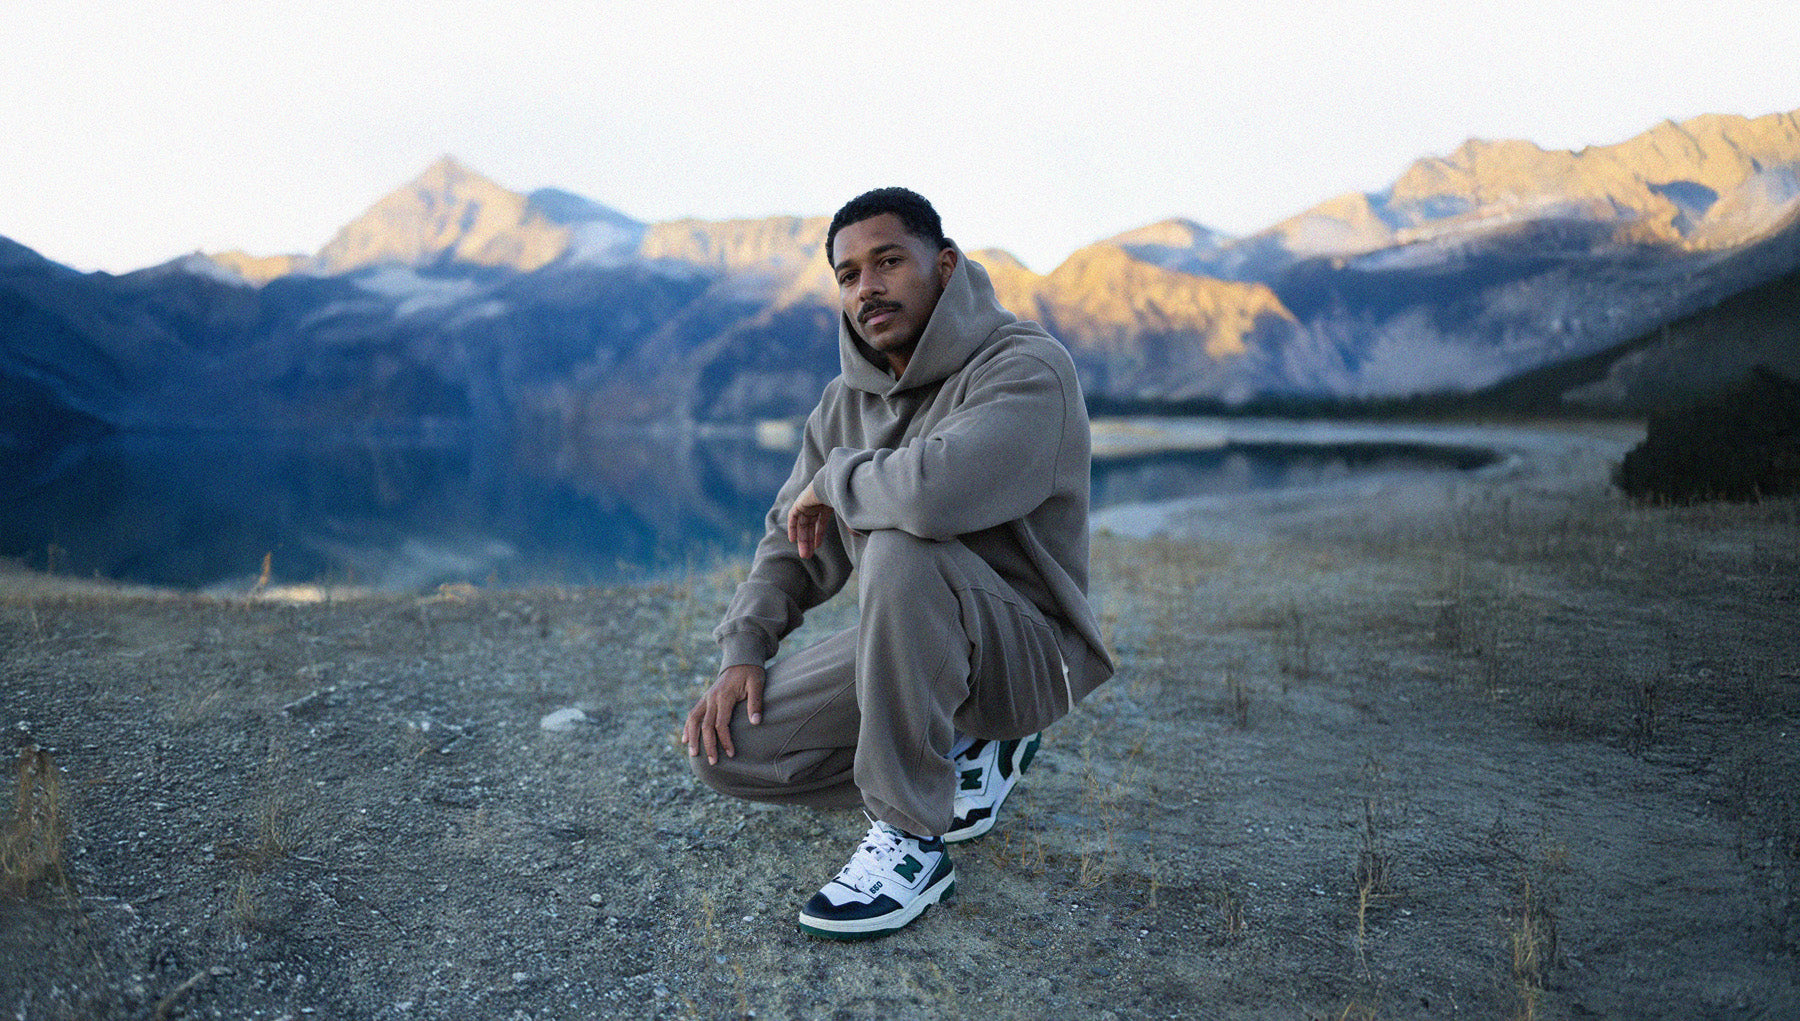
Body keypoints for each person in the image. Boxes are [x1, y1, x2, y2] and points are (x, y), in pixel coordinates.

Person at [682, 187, 1114, 940]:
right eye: (847, 274)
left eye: (888, 262)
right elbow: (794, 536)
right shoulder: (840, 404)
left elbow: (933, 496)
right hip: (917, 638)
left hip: (1029, 653)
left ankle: (912, 834)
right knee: (729, 751)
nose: (867, 287)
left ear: (943, 267)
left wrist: (835, 481)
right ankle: (954, 747)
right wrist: (743, 648)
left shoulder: (1028, 367)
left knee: (901, 543)